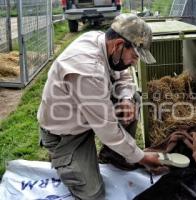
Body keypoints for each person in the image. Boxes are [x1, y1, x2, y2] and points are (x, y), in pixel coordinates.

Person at [37, 14, 161, 200]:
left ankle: (115, 157)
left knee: (133, 97)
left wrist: (126, 99)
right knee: (92, 194)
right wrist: (141, 157)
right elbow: (107, 129)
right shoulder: (88, 70)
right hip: (66, 135)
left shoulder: (102, 41)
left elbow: (124, 76)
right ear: (119, 44)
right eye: (134, 56)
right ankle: (64, 158)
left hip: (87, 116)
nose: (134, 62)